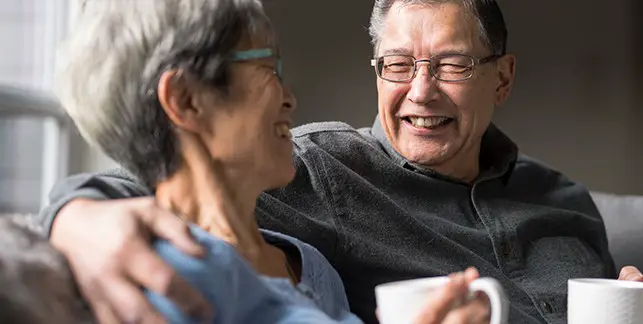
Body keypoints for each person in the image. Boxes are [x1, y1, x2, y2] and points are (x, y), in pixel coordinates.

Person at [41, 0, 643, 323]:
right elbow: (154, 171)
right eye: (400, 65)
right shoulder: (312, 166)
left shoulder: (566, 201)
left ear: (503, 77)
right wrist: (74, 218)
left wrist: (642, 304)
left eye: (453, 64)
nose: (422, 90)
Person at [49, 0, 492, 323]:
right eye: (268, 68)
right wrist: (71, 212)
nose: (289, 98)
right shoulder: (156, 283)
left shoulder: (310, 268)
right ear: (186, 100)